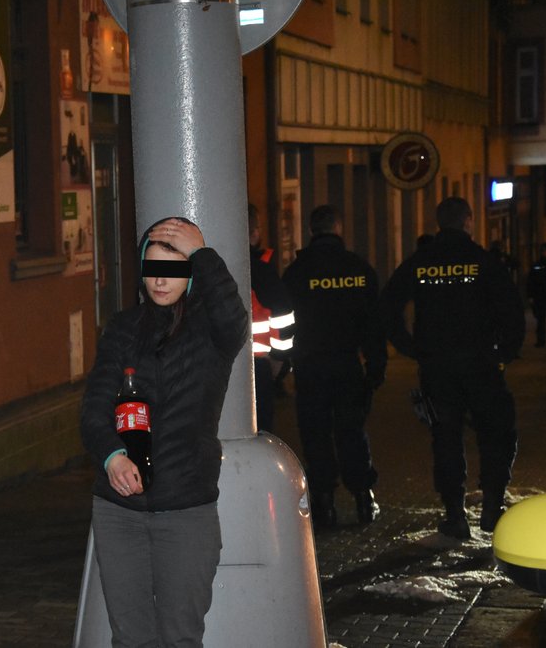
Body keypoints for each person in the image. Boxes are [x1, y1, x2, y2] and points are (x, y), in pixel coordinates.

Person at [81, 217, 247, 647]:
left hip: (185, 510)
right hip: (119, 513)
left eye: (174, 269)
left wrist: (202, 253)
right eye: (152, 267)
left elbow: (234, 318)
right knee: (130, 639)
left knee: (179, 638)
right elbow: (94, 409)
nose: (160, 280)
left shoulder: (213, 332)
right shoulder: (122, 328)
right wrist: (111, 456)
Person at [380, 197, 524, 539]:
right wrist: (505, 352)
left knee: (445, 438)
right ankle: (491, 508)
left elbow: (388, 307)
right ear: (469, 221)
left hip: (437, 368)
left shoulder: (421, 261)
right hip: (482, 367)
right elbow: (511, 310)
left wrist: (411, 348)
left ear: (439, 223)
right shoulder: (483, 261)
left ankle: (455, 514)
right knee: (496, 433)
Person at [281, 205, 386, 528]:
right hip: (347, 365)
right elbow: (373, 325)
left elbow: (285, 325)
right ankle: (363, 498)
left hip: (310, 367)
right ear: (338, 227)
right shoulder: (359, 268)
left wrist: (284, 364)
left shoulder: (297, 272)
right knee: (351, 431)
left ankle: (324, 503)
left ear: (312, 230)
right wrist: (376, 366)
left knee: (315, 435)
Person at [248, 205, 295, 434]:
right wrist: (279, 357)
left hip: (214, 367)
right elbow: (284, 315)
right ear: (254, 232)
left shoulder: (205, 267)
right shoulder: (260, 268)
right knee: (260, 432)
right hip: (258, 365)